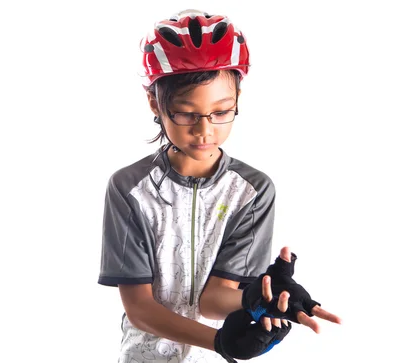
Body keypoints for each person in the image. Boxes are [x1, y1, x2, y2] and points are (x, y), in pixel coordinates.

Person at [97, 9, 341, 363]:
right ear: (155, 103)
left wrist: (255, 296)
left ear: (238, 100)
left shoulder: (253, 191)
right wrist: (222, 343)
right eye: (185, 113)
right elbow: (140, 308)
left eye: (222, 111)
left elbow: (213, 299)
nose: (204, 130)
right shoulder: (129, 188)